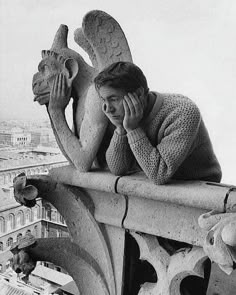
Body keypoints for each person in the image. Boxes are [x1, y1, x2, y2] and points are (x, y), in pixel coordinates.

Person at [94, 61, 222, 184]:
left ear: (138, 94)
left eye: (113, 99)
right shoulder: (126, 117)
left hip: (199, 188)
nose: (107, 108)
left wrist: (133, 130)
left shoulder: (183, 112)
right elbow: (117, 169)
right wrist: (121, 128)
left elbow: (159, 174)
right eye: (103, 100)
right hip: (158, 185)